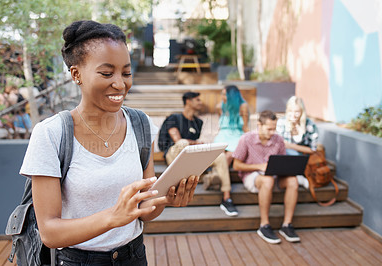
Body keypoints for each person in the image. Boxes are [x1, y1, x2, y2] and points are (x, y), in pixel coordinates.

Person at [19, 20, 199, 265]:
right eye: (106, 73)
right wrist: (114, 216)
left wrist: (165, 199)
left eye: (126, 72)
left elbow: (145, 211)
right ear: (76, 74)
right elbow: (50, 232)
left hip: (133, 255)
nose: (120, 84)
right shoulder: (51, 134)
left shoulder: (140, 124)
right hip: (77, 260)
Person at [158, 91, 238, 217]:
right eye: (198, 100)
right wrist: (197, 143)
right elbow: (178, 141)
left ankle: (226, 198)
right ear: (188, 101)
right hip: (173, 154)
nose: (201, 103)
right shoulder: (173, 118)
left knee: (221, 156)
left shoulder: (198, 123)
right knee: (183, 143)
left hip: (190, 156)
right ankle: (203, 177)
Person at [233, 110, 300, 244]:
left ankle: (287, 225)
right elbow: (236, 165)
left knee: (293, 181)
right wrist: (260, 166)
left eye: (274, 129)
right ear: (259, 125)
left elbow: (282, 161)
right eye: (269, 129)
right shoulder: (246, 139)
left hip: (274, 175)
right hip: (253, 176)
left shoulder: (278, 139)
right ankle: (264, 225)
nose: (272, 133)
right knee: (267, 180)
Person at [276, 96, 319, 188]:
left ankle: (297, 177)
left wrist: (290, 146)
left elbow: (312, 149)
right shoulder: (281, 122)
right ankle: (296, 178)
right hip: (285, 157)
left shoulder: (310, 125)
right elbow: (279, 145)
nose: (293, 115)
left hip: (303, 159)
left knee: (291, 152)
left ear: (302, 112)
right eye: (290, 111)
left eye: (297, 112)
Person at [213, 84, 250, 166]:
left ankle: (219, 176)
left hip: (237, 135)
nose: (222, 97)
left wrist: (250, 138)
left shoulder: (243, 106)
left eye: (225, 95)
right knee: (219, 154)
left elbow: (245, 126)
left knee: (229, 155)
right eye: (222, 94)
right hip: (223, 135)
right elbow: (221, 123)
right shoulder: (220, 107)